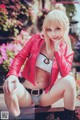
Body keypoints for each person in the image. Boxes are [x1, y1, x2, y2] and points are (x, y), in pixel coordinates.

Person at [3, 4, 76, 120]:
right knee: (9, 86)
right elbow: (20, 57)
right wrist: (12, 75)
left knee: (70, 81)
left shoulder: (66, 49)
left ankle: (69, 117)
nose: (53, 33)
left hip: (45, 96)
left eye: (57, 29)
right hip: (25, 94)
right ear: (45, 29)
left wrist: (58, 50)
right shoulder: (36, 40)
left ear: (64, 28)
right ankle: (15, 118)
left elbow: (65, 73)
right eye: (49, 29)